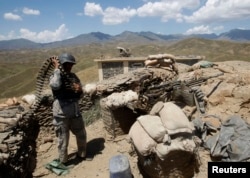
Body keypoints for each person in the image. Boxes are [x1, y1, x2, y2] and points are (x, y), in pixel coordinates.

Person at [49, 53, 87, 164]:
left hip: (75, 112)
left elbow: (81, 94)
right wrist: (56, 69)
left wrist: (80, 90)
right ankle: (63, 161)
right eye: (67, 64)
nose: (70, 67)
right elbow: (55, 85)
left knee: (81, 134)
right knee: (62, 140)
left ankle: (82, 154)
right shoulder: (56, 75)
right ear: (61, 64)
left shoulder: (73, 76)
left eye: (71, 64)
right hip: (61, 114)